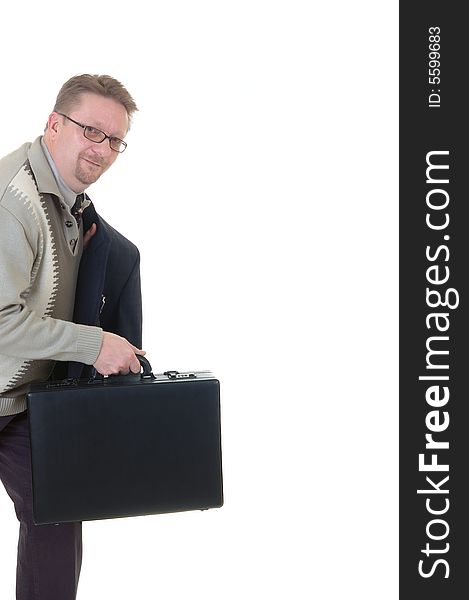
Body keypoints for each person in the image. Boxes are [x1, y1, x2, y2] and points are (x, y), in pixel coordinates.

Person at [0, 74, 144, 599]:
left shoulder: (71, 202)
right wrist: (94, 343)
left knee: (58, 510)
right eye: (90, 131)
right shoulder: (12, 202)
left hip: (19, 400)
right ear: (54, 124)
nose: (101, 149)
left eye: (114, 140)